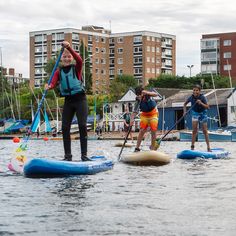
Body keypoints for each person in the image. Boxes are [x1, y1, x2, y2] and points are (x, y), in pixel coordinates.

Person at [45, 41, 90, 161]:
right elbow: (53, 83)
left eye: (68, 56)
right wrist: (48, 86)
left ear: (71, 58)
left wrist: (69, 48)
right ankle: (67, 156)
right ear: (61, 59)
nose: (66, 58)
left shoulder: (77, 68)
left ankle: (84, 155)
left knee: (82, 125)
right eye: (64, 57)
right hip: (68, 101)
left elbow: (80, 60)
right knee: (65, 128)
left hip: (80, 100)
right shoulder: (58, 72)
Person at [183, 84, 211, 152]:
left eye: (197, 90)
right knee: (194, 130)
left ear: (200, 91)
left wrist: (201, 103)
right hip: (195, 113)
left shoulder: (203, 97)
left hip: (203, 113)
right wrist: (185, 111)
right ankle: (192, 147)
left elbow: (208, 107)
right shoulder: (191, 97)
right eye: (194, 90)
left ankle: (208, 148)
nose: (195, 92)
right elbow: (184, 104)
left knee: (204, 130)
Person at [131, 86, 159, 152]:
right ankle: (137, 148)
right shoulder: (138, 101)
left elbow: (156, 94)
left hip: (153, 113)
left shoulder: (147, 95)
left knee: (153, 129)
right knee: (142, 130)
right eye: (137, 95)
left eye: (140, 95)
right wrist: (131, 120)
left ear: (142, 94)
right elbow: (134, 112)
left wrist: (146, 92)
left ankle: (152, 148)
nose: (139, 97)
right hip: (144, 115)